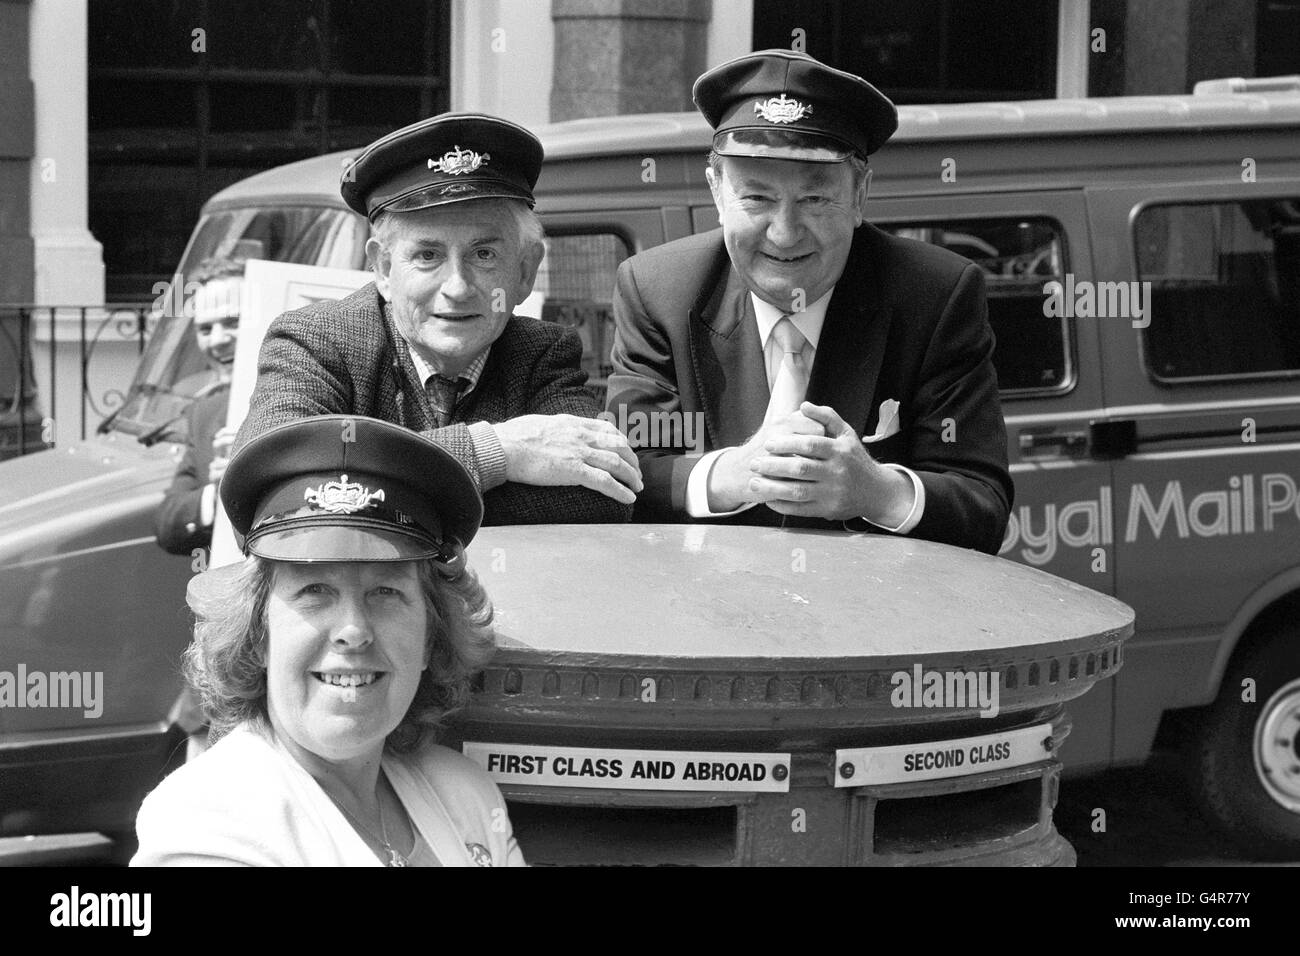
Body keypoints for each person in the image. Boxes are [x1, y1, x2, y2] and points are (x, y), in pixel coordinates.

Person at [606, 50, 1012, 554]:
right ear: (716, 192)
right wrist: (736, 474)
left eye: (814, 200)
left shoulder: (935, 295)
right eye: (756, 199)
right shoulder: (657, 290)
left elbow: (983, 506)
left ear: (860, 193)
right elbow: (627, 479)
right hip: (709, 615)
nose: (784, 232)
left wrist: (876, 490)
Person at [133, 415, 523, 866]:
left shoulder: (468, 796)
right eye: (315, 591)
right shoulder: (207, 822)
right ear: (258, 635)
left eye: (386, 592)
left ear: (431, 639)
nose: (354, 630)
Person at [235, 112, 641, 525]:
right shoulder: (316, 342)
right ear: (382, 269)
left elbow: (607, 494)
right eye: (428, 256)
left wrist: (367, 497)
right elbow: (271, 495)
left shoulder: (541, 352)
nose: (458, 288)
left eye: (484, 255)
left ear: (524, 272)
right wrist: (494, 451)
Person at [154, 275, 242, 555]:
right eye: (205, 329)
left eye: (233, 322)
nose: (217, 341)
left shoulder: (312, 398)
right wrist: (217, 498)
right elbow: (167, 524)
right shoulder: (204, 411)